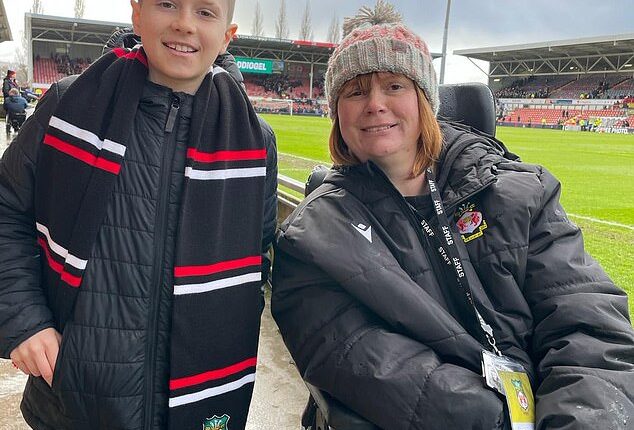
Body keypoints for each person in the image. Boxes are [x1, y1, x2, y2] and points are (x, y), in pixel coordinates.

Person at [271, 16, 634, 430]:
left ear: (424, 99)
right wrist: (508, 424)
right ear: (337, 112)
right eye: (355, 91)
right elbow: (364, 365)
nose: (375, 103)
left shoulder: (520, 192)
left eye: (395, 85)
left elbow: (588, 325)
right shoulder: (312, 236)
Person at [0, 0, 277, 429]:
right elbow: (6, 210)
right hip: (74, 405)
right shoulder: (68, 105)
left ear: (227, 35)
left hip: (199, 408)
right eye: (167, 4)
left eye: (205, 12)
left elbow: (255, 263)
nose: (184, 23)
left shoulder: (256, 142)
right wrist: (23, 319)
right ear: (137, 14)